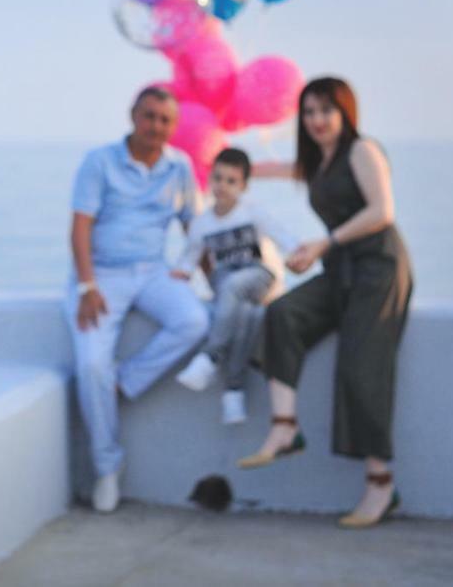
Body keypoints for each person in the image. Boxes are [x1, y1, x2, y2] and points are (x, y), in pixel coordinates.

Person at [235, 77, 413, 529]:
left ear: (345, 112)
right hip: (339, 269)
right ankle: (285, 426)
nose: (316, 120)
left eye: (325, 111)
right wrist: (222, 166)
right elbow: (269, 169)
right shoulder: (317, 162)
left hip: (378, 269)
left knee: (361, 367)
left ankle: (380, 485)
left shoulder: (362, 150)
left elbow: (381, 212)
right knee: (283, 314)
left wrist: (323, 244)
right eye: (309, 112)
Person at [67, 86, 209, 514]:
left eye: (165, 120)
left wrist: (214, 281)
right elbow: (80, 228)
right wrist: (87, 287)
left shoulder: (179, 167)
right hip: (102, 275)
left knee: (195, 321)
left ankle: (125, 382)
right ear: (132, 115)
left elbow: (196, 230)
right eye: (149, 117)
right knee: (91, 364)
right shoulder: (100, 161)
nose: (156, 127)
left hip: (153, 271)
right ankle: (108, 468)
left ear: (174, 126)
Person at [171, 147, 299, 425]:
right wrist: (173, 277)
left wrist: (301, 255)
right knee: (246, 315)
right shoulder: (201, 224)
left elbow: (284, 237)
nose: (222, 186)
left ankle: (210, 356)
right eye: (218, 178)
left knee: (232, 286)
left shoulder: (253, 213)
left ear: (244, 186)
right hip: (228, 286)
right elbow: (188, 261)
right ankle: (233, 392)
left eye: (231, 181)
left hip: (259, 276)